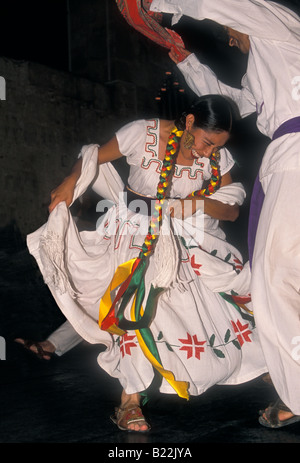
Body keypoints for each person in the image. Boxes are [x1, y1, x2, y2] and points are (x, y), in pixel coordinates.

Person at [27, 95, 267, 432]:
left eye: (218, 147)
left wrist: (195, 205)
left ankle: (273, 370)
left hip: (179, 239)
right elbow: (94, 156)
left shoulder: (217, 159)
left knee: (210, 309)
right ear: (188, 123)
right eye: (207, 141)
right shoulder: (145, 134)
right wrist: (70, 181)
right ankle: (129, 402)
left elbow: (230, 209)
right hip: (133, 232)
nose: (210, 152)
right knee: (132, 311)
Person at [149, 0, 300, 428]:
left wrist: (161, 6)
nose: (231, 38)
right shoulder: (272, 60)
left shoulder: (279, 24)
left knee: (273, 283)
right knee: (284, 279)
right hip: (289, 157)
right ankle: (295, 390)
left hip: (296, 157)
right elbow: (240, 104)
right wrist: (185, 58)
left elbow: (225, 4)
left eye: (232, 29)